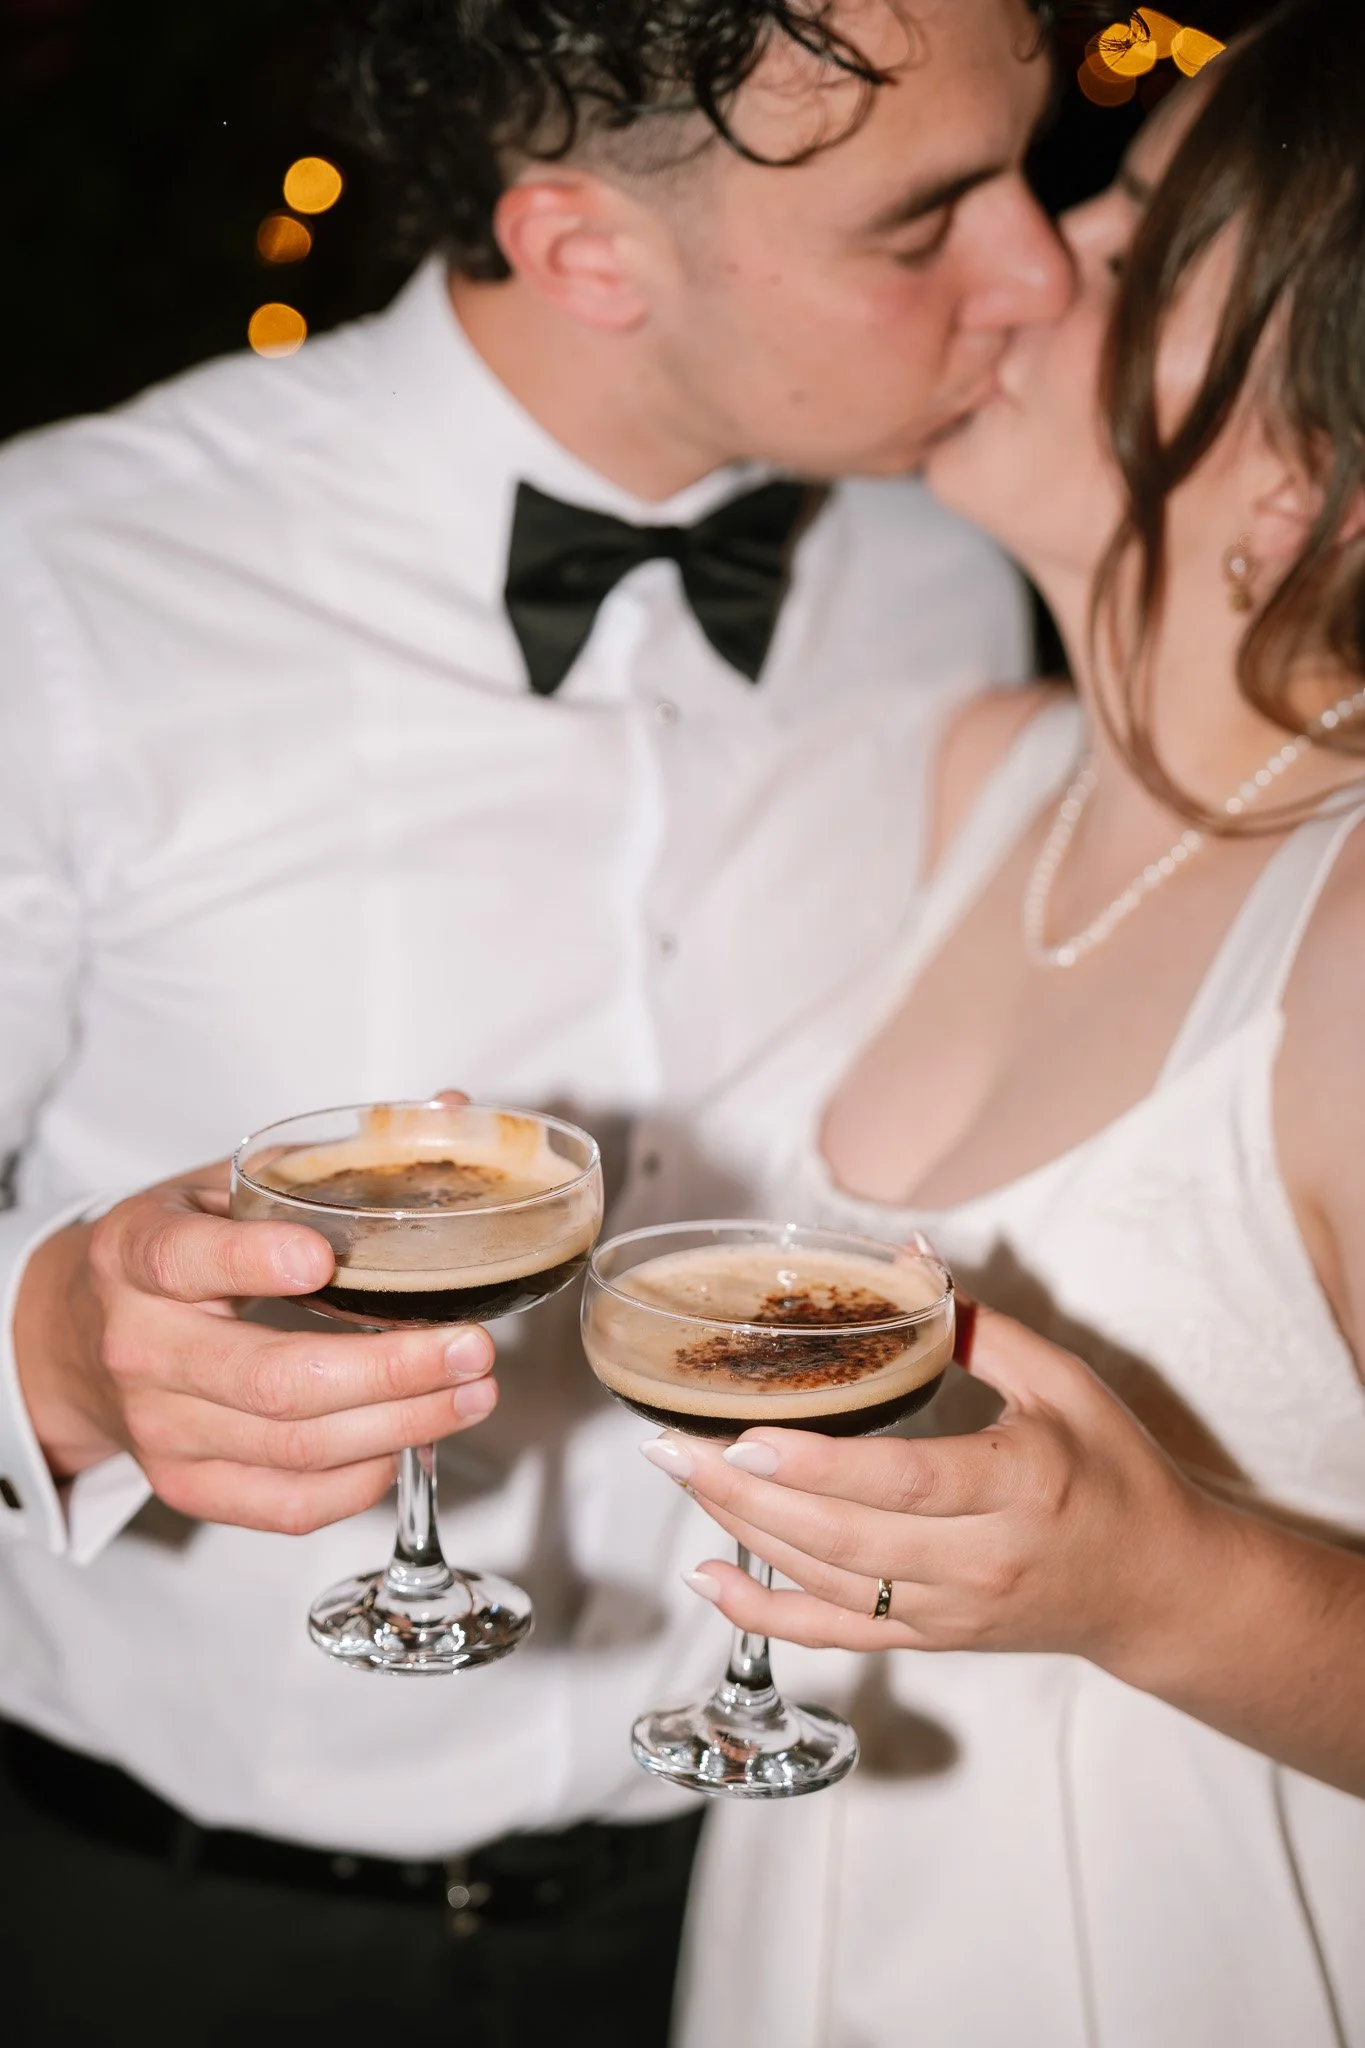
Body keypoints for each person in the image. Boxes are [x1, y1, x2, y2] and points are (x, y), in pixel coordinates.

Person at [0, 2, 1070, 2040]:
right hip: (162, 1935)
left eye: (1023, 164)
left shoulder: (948, 566)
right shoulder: (56, 580)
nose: (1033, 268)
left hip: (762, 1915)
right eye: (924, 217)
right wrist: (45, 1350)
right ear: (587, 251)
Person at [658, 7, 1365, 2043]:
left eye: (1132, 248)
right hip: (804, 1925)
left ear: (1305, 475)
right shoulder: (977, 781)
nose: (1033, 263)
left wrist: (1163, 1583)